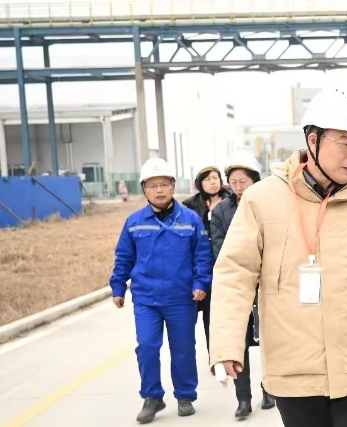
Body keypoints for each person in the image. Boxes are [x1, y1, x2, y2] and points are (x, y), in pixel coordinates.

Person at [208, 85, 347, 427]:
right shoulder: (262, 200)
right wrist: (226, 344)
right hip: (294, 369)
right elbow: (235, 273)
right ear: (312, 140)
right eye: (345, 143)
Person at [109, 158, 213, 424]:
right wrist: (118, 287)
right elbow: (124, 257)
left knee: (183, 349)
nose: (159, 190)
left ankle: (185, 395)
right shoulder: (134, 222)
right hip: (146, 299)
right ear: (144, 189)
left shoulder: (190, 220)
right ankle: (152, 396)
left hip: (181, 299)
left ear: (173, 186)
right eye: (152, 185)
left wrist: (201, 283)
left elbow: (202, 256)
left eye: (164, 184)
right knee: (146, 346)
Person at [209, 153, 276, 419]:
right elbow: (220, 249)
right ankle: (243, 399)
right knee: (239, 343)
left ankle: (270, 389)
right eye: (234, 182)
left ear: (255, 180)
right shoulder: (221, 211)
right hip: (238, 285)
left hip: (266, 285)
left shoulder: (268, 206)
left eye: (243, 181)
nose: (238, 187)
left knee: (269, 340)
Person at [182, 165, 231, 353]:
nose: (213, 182)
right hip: (198, 267)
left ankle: (218, 355)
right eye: (208, 179)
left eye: (215, 178)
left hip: (223, 264)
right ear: (200, 184)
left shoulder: (231, 201)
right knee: (192, 316)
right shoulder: (189, 206)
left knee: (216, 316)